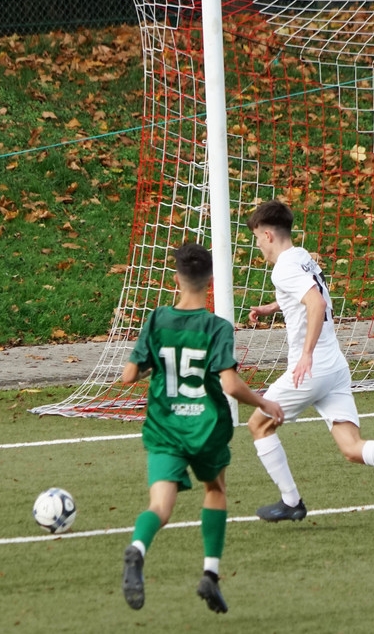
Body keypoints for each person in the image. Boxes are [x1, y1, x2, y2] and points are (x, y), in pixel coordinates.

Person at [245, 199, 374, 523]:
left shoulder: (284, 268)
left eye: (256, 239)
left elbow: (316, 304)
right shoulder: (302, 257)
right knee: (351, 447)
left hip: (312, 368)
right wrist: (271, 308)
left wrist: (306, 355)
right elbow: (310, 293)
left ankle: (291, 501)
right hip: (334, 366)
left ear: (267, 235)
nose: (258, 247)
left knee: (258, 424)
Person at [120, 243, 285, 614]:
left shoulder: (157, 319)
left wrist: (156, 366)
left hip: (165, 427)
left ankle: (138, 548)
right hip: (206, 427)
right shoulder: (216, 327)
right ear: (210, 281)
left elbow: (129, 375)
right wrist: (264, 402)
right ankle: (210, 573)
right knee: (215, 488)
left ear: (176, 279)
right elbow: (230, 385)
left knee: (160, 507)